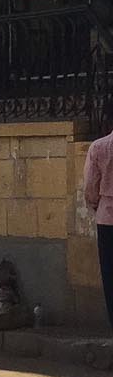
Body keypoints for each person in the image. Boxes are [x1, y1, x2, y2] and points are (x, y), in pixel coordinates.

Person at [82, 125, 113, 326]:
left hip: (107, 219)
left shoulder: (99, 147)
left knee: (110, 280)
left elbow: (90, 187)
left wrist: (96, 205)